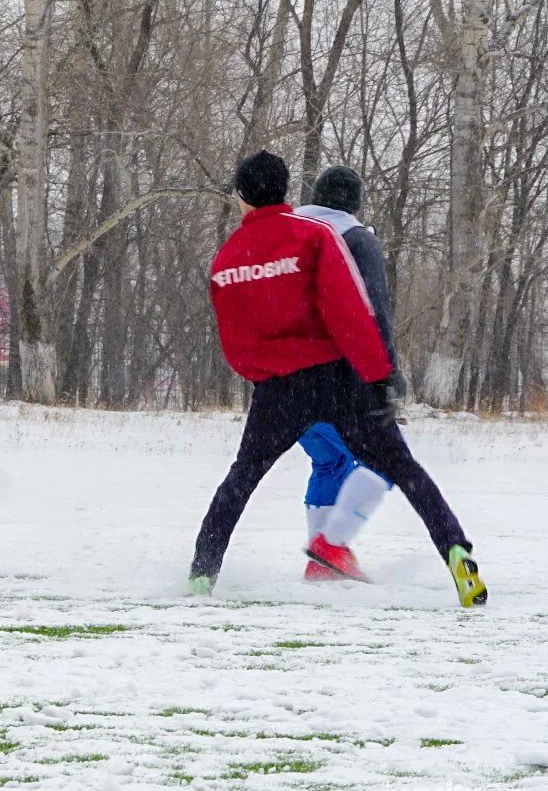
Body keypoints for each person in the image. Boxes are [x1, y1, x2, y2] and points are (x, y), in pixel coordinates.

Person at [190, 151, 485, 607]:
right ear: (286, 189)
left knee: (242, 478)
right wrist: (379, 375)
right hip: (338, 379)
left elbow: (234, 339)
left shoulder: (227, 258)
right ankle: (458, 554)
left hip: (277, 389)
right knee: (404, 470)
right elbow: (350, 311)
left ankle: (202, 573)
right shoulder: (314, 236)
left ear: (242, 197)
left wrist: (263, 375)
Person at [292, 166, 405, 582]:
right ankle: (331, 546)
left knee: (329, 460)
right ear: (355, 203)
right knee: (388, 458)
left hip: (283, 380)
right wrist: (388, 372)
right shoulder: (357, 240)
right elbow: (376, 310)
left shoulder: (288, 236)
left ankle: (321, 565)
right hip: (338, 378)